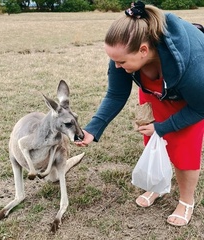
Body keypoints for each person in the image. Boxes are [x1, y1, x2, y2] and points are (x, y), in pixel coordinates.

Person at [75, 1, 204, 227]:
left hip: (191, 100)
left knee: (184, 151)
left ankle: (186, 201)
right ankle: (157, 187)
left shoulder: (192, 62)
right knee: (153, 142)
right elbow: (116, 94)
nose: (116, 66)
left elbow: (200, 108)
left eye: (121, 62)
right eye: (114, 60)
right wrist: (92, 129)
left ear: (143, 50)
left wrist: (163, 127)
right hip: (156, 91)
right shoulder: (124, 52)